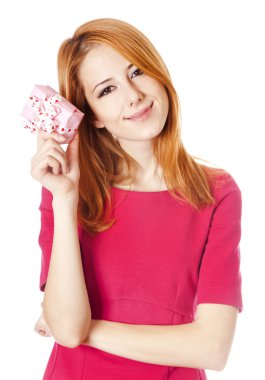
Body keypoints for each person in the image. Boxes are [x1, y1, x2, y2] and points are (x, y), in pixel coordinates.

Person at [31, 18, 243, 380]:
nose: (134, 95)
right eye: (106, 90)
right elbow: (65, 329)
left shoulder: (216, 192)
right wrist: (65, 200)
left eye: (137, 71)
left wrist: (81, 329)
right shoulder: (66, 189)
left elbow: (212, 348)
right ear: (93, 117)